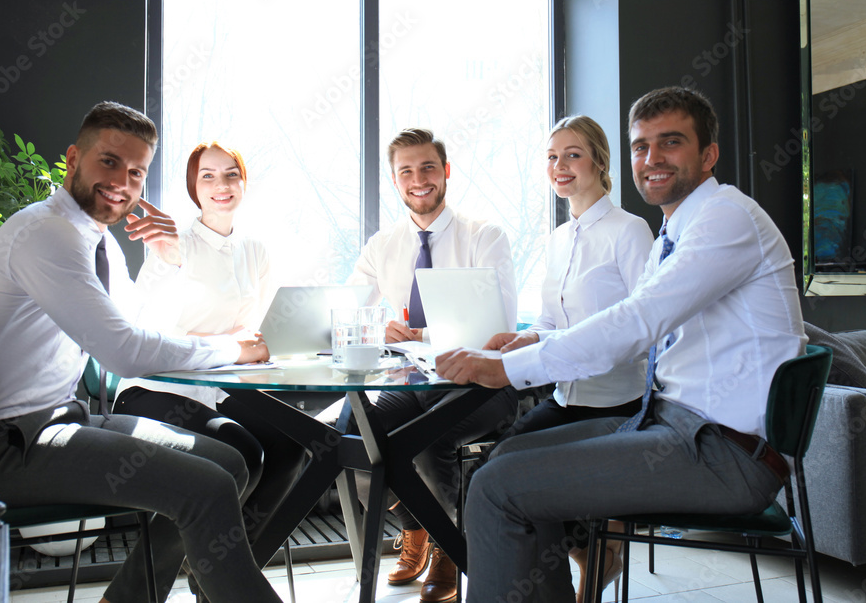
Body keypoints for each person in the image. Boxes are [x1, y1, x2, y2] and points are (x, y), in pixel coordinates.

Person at [435, 87, 806, 602]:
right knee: (503, 460)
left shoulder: (727, 218)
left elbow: (637, 320)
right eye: (641, 146)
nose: (651, 159)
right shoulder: (675, 231)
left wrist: (509, 370)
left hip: (725, 452)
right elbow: (615, 318)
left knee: (499, 488)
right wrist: (517, 352)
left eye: (670, 143)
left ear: (708, 155)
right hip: (673, 423)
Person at [0, 102, 282, 603]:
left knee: (229, 465)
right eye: (108, 162)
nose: (122, 181)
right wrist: (231, 346)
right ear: (73, 159)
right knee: (206, 489)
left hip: (57, 420)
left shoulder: (96, 240)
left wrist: (170, 260)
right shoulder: (48, 234)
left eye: (136, 171)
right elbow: (123, 352)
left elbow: (138, 324)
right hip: (3, 449)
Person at [476, 115, 653, 601]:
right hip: (565, 395)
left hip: (617, 402)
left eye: (572, 154)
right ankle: (584, 558)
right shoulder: (556, 240)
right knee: (501, 460)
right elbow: (552, 326)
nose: (560, 166)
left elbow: (647, 328)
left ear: (599, 161)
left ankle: (591, 557)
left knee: (522, 469)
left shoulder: (629, 231)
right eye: (552, 157)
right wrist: (519, 339)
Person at [341, 128, 521, 603]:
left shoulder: (485, 236)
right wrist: (376, 326)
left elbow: (500, 324)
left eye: (427, 168)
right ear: (395, 180)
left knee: (431, 438)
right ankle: (415, 527)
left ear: (445, 172)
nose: (418, 179)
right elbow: (348, 309)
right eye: (406, 171)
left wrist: (422, 333)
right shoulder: (383, 245)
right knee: (358, 436)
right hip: (410, 380)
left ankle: (448, 547)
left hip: (481, 381)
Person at [113, 141, 306, 549]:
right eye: (208, 176)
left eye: (230, 174)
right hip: (158, 389)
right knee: (242, 454)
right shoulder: (174, 245)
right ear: (194, 189)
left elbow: (261, 331)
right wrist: (169, 260)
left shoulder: (256, 251)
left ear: (243, 184)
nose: (221, 184)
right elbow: (148, 330)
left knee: (291, 448)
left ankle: (234, 566)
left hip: (221, 386)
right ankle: (220, 570)